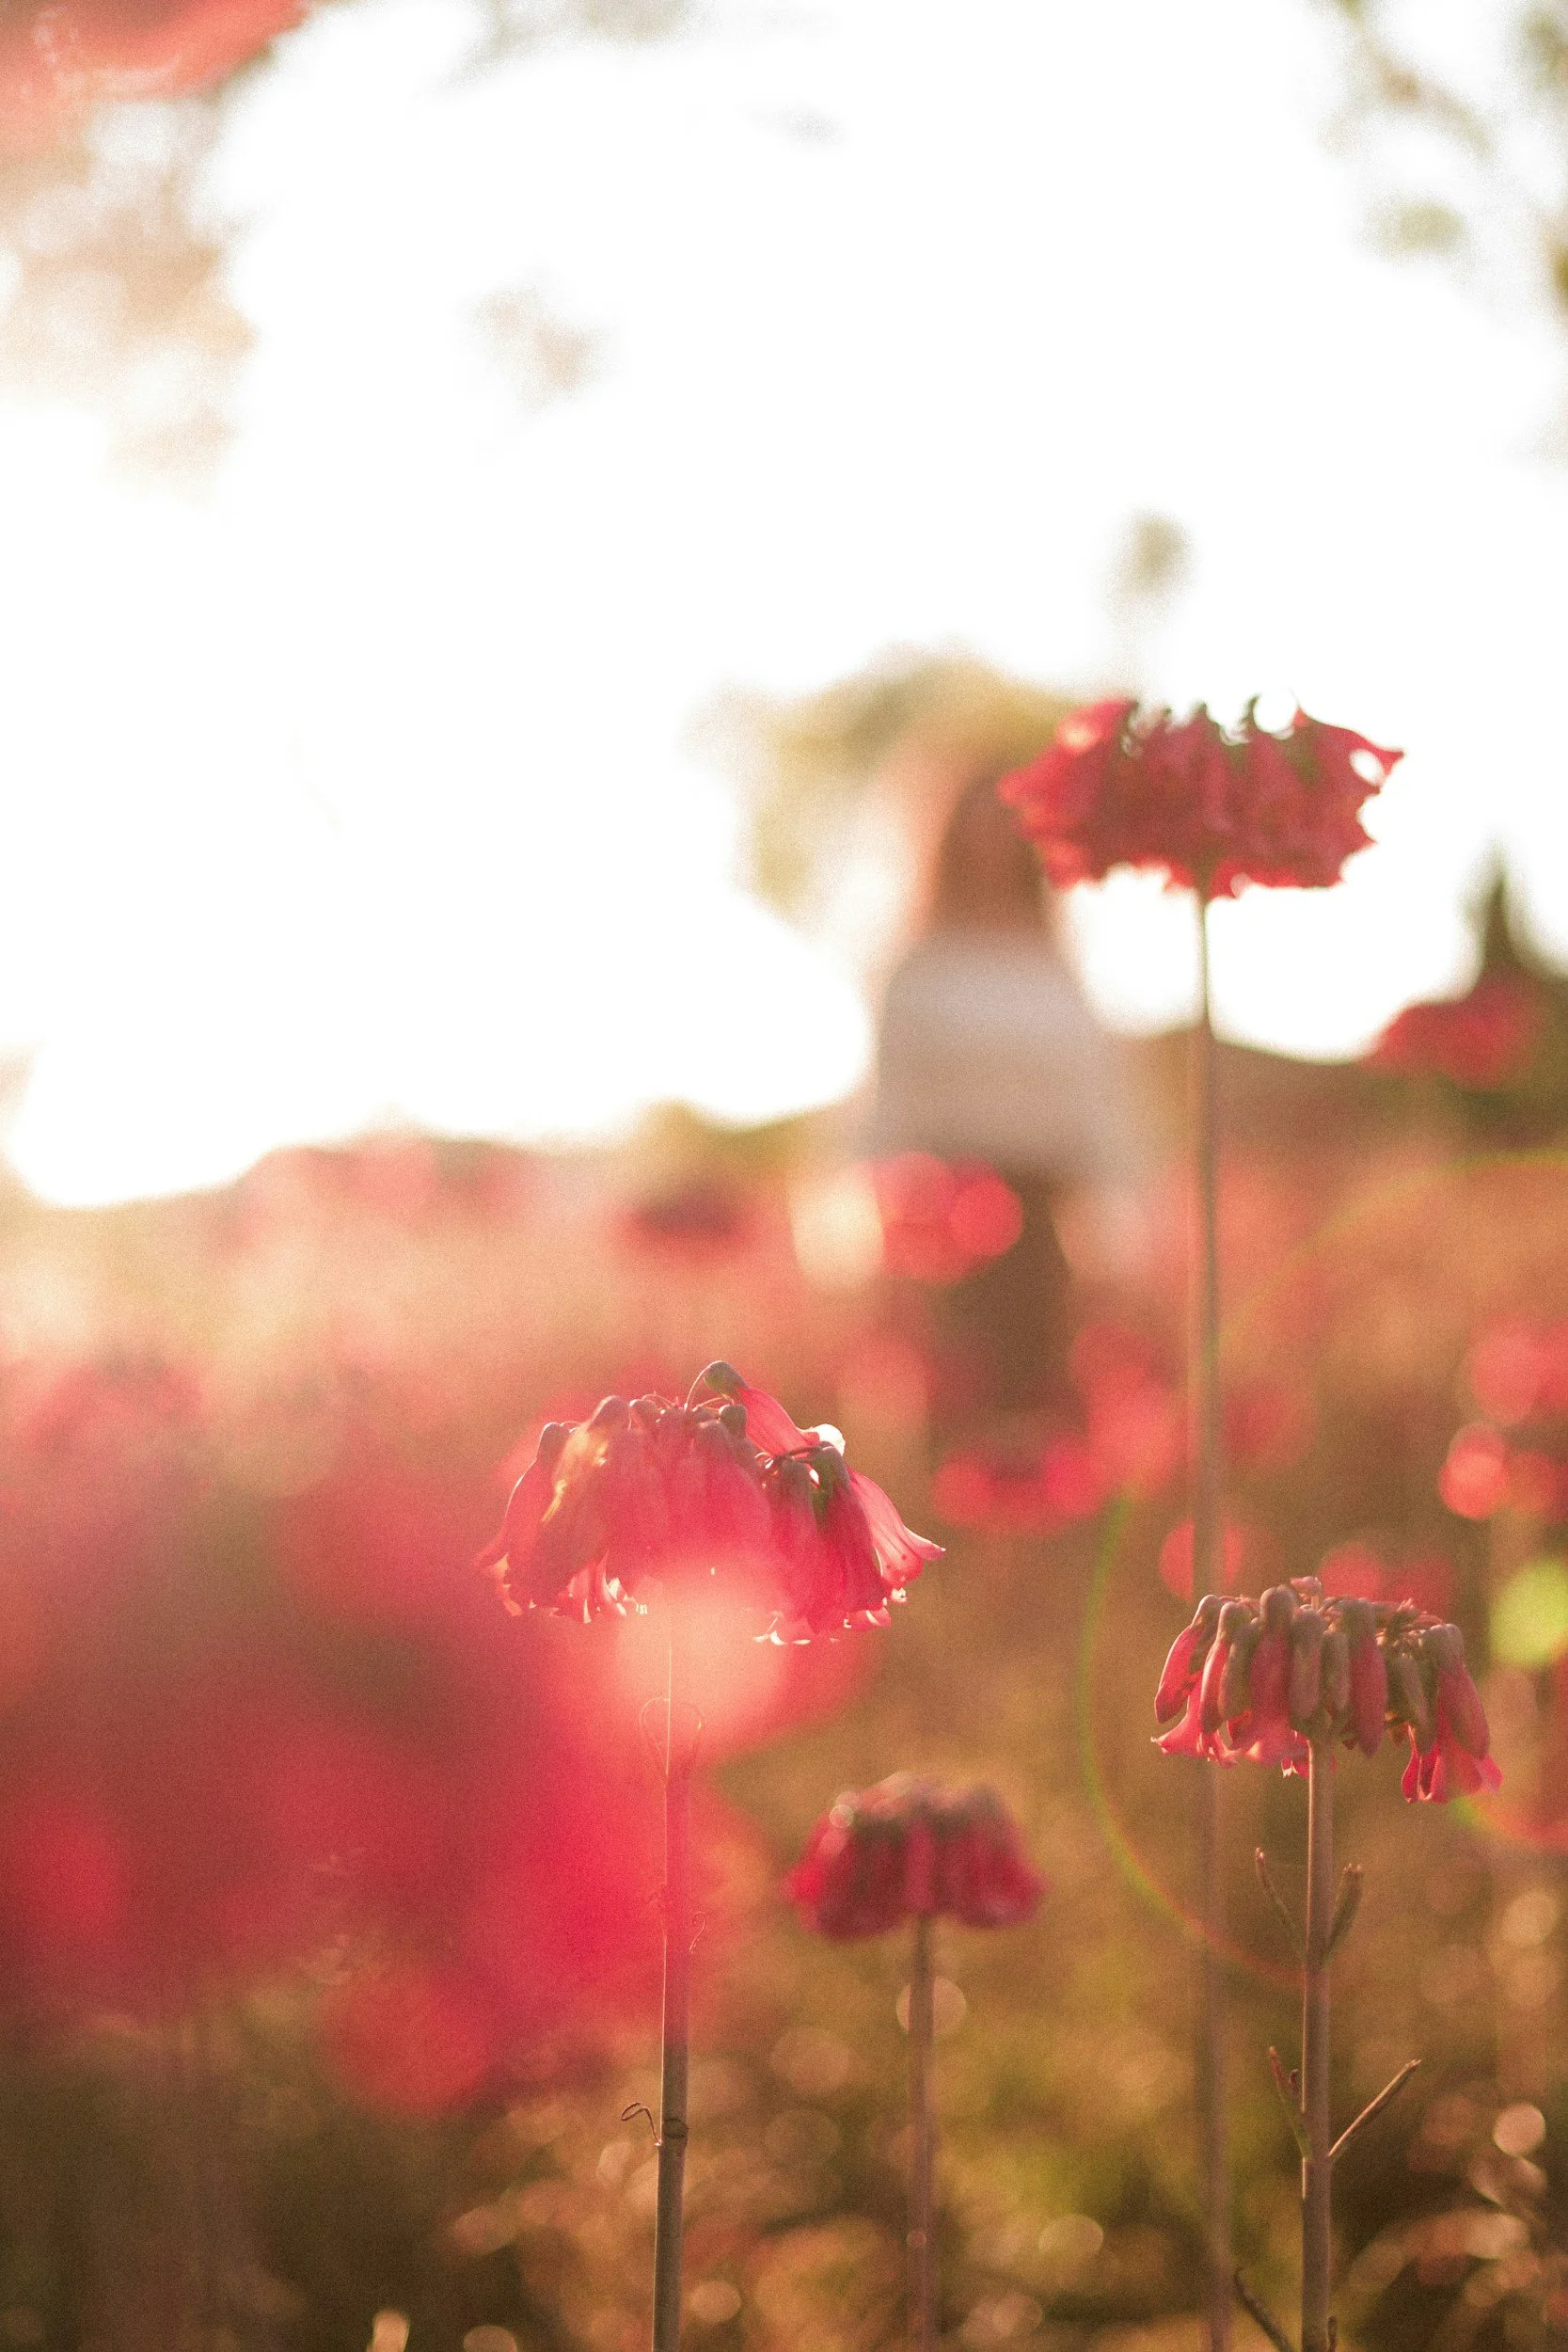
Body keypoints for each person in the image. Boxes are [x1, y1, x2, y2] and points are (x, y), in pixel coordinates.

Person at [871, 768, 1142, 1422]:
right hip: (946, 1212)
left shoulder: (1055, 965)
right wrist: (887, 1231)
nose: (990, 842)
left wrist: (1118, 1230)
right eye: (976, 825)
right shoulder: (920, 964)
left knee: (1041, 1394)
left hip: (1044, 1209)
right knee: (960, 1395)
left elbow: (1095, 1100)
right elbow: (893, 1101)